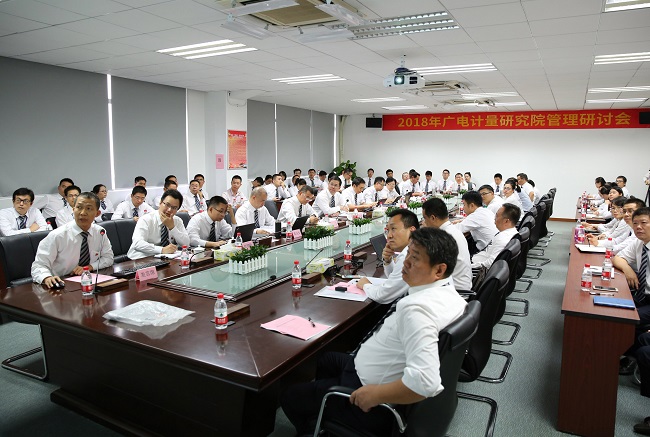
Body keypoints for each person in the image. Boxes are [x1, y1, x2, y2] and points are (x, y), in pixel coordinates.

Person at [280, 228, 467, 437]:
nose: (405, 263)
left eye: (414, 258)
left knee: (291, 396)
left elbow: (425, 382)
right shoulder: (452, 297)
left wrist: (376, 395)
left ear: (439, 270)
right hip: (369, 371)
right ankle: (327, 420)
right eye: (407, 254)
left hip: (370, 400)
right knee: (327, 360)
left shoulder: (418, 311)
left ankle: (327, 418)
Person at [31, 192, 114, 288]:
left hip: (88, 282)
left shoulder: (100, 232)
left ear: (97, 213)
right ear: (73, 210)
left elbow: (108, 258)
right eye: (79, 207)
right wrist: (46, 277)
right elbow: (38, 266)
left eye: (88, 208)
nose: (83, 213)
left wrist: (89, 267)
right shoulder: (57, 235)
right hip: (61, 285)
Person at [356, 209, 418, 303]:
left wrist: (365, 285)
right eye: (388, 230)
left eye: (394, 229)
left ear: (411, 230)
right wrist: (388, 261)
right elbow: (395, 280)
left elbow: (383, 296)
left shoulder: (408, 256)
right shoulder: (417, 247)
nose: (389, 236)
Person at [421, 198, 473, 292]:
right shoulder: (453, 230)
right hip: (461, 284)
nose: (423, 222)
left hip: (456, 290)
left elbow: (431, 269)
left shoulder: (444, 237)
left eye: (425, 218)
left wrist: (426, 233)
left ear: (433, 218)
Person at [127, 189, 189, 260]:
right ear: (160, 203)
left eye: (174, 208)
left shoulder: (177, 220)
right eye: (167, 205)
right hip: (141, 259)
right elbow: (137, 243)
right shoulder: (146, 219)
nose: (169, 210)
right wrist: (162, 250)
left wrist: (172, 227)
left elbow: (186, 244)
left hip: (164, 259)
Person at [471, 204, 521, 269]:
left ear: (506, 221)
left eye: (497, 216)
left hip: (479, 267)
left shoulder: (502, 238)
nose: (494, 218)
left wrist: (470, 266)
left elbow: (490, 263)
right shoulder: (514, 232)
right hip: (481, 258)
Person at [453, 191, 498, 255]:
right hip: (494, 247)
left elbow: (455, 229)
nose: (463, 208)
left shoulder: (475, 216)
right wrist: (461, 220)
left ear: (472, 205)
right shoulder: (486, 211)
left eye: (464, 205)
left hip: (485, 252)